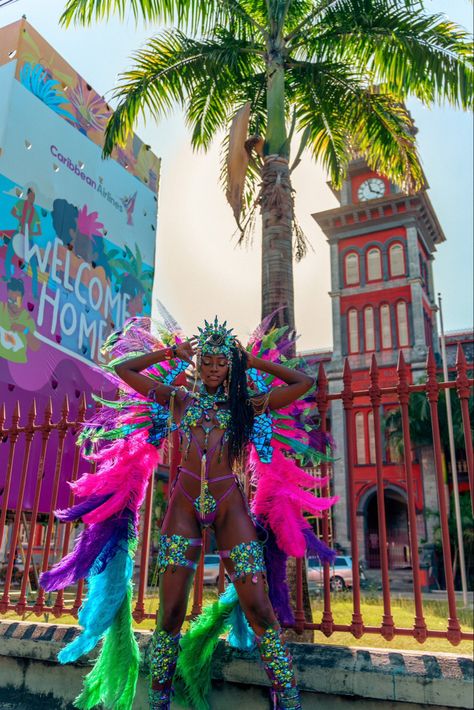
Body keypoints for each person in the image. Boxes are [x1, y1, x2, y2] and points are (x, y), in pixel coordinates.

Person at [40, 316, 337, 710]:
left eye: (221, 363)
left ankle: (288, 698)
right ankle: (160, 700)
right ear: (199, 363)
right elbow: (122, 369)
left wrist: (253, 362)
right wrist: (171, 353)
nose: (214, 369)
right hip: (183, 507)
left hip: (230, 506)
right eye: (208, 361)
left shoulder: (248, 406)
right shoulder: (178, 401)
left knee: (260, 607)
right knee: (171, 611)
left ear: (230, 366)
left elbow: (304, 385)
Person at [0, 278, 39, 363]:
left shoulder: (27, 319)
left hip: (16, 365)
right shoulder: (1, 308)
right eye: (10, 300)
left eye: (16, 301)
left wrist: (24, 330)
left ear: (22, 298)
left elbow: (35, 347)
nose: (13, 304)